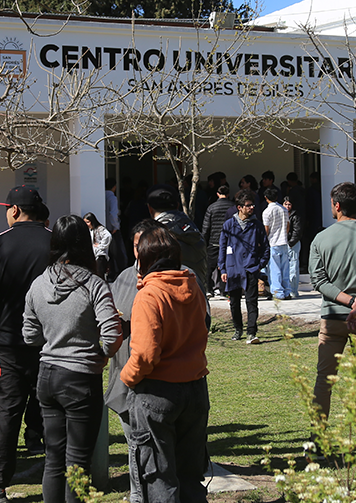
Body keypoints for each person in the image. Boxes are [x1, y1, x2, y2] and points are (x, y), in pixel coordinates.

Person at [22, 215, 122, 503]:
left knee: (54, 458)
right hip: (80, 379)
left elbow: (29, 335)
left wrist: (55, 339)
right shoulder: (94, 284)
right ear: (86, 245)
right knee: (77, 461)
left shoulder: (38, 284)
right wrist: (100, 354)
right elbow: (113, 335)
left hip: (47, 376)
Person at [0, 185, 54, 503]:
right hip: (50, 340)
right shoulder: (55, 243)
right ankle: (63, 476)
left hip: (9, 342)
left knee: (6, 410)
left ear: (15, 211)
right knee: (53, 408)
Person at [121, 226, 210, 503]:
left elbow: (146, 353)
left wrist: (127, 376)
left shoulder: (149, 295)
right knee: (191, 475)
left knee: (159, 478)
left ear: (144, 259)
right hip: (195, 388)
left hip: (157, 392)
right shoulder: (193, 284)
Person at [308, 182, 356, 421]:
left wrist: (348, 302)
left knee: (324, 381)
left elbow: (318, 280)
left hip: (332, 316)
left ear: (337, 206)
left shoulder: (320, 238)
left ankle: (317, 441)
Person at [219, 190, 268, 343]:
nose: (252, 208)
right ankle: (238, 329)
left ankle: (251, 332)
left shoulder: (257, 225)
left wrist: (259, 265)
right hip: (233, 269)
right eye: (248, 205)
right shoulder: (229, 225)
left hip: (251, 268)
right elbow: (222, 246)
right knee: (234, 302)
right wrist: (223, 268)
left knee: (252, 302)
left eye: (252, 205)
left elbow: (266, 248)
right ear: (239, 207)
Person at [146, 184, 208, 286]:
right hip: (197, 295)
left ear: (150, 208)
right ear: (178, 205)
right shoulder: (194, 231)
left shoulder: (153, 237)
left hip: (166, 296)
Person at [201, 184, 234, 297]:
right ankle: (224, 290)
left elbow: (206, 227)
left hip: (214, 241)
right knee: (227, 265)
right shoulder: (233, 207)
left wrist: (204, 241)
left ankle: (208, 288)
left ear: (217, 194)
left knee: (210, 266)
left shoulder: (211, 207)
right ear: (228, 194)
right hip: (229, 241)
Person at [261, 186, 293, 299]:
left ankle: (277, 292)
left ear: (266, 198)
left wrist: (264, 241)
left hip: (273, 243)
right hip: (283, 241)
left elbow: (266, 229)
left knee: (274, 269)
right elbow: (288, 225)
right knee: (285, 269)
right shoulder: (283, 209)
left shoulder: (266, 212)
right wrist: (284, 234)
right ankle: (287, 291)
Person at [283, 196, 304, 298]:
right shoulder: (281, 214)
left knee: (293, 267)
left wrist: (291, 243)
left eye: (289, 204)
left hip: (293, 244)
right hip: (282, 243)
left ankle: (293, 291)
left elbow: (297, 231)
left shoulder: (295, 216)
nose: (287, 206)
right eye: (285, 204)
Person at [84, 212, 113, 279]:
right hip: (94, 255)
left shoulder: (100, 229)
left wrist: (100, 246)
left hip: (100, 256)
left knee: (100, 276)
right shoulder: (91, 230)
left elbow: (108, 236)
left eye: (88, 222)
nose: (87, 224)